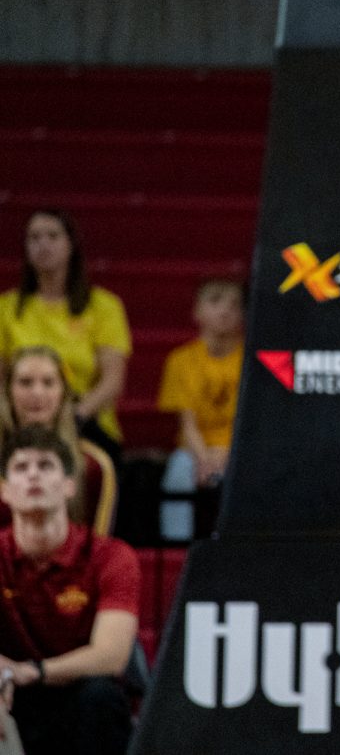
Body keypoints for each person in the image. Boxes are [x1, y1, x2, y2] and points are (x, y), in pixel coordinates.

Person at [0, 425, 140, 755]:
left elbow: (112, 655)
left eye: (46, 465)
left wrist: (36, 672)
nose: (33, 475)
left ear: (68, 486)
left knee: (101, 697)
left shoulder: (111, 556)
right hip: (10, 694)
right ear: (5, 491)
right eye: (21, 467)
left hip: (76, 695)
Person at [0, 210, 131, 466]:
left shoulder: (104, 306)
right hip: (19, 419)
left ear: (71, 245)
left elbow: (112, 381)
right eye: (34, 238)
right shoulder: (5, 307)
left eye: (52, 236)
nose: (43, 244)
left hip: (84, 419)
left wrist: (72, 416)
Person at [156, 278, 245, 541]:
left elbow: (253, 422)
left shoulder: (252, 361)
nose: (225, 310)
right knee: (179, 469)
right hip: (195, 450)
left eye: (234, 304)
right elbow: (187, 423)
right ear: (197, 311)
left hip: (238, 450)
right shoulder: (181, 360)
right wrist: (205, 458)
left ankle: (241, 546)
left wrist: (228, 453)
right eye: (215, 301)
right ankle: (176, 547)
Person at [0, 347, 117, 535]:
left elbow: (95, 548)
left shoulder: (93, 465)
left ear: (64, 394)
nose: (37, 392)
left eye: (48, 382)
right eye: (25, 382)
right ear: (7, 392)